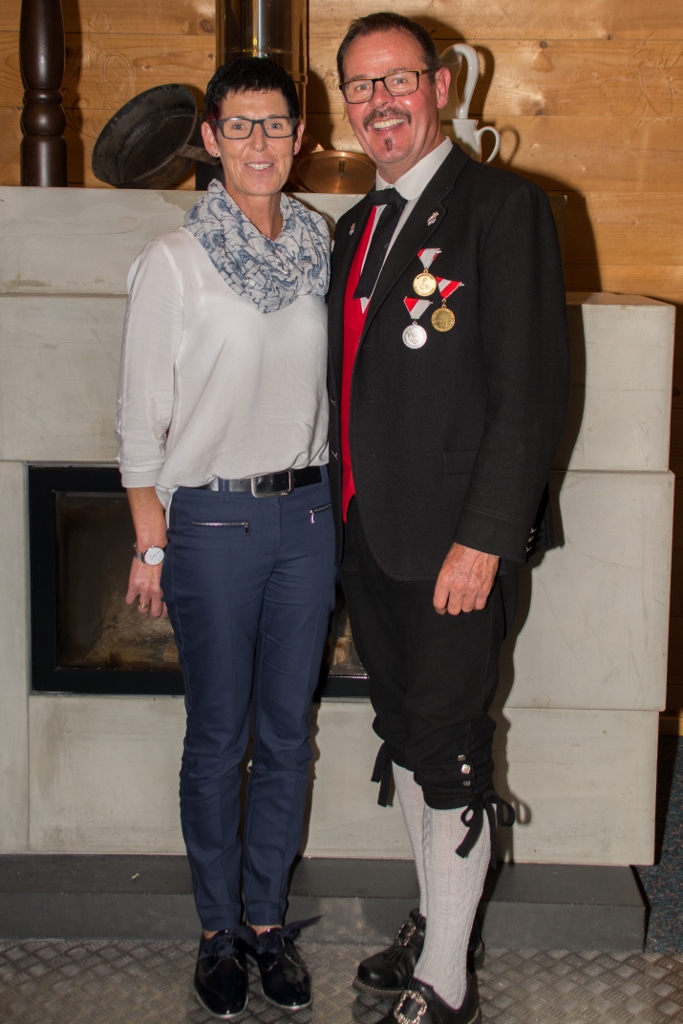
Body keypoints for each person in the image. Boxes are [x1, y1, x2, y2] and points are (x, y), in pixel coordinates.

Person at [328, 13, 570, 1024]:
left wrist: (484, 537)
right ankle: (436, 921)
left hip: (452, 544)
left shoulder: (501, 208)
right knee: (406, 737)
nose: (379, 101)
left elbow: (528, 393)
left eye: (398, 80)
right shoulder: (354, 228)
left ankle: (446, 983)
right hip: (365, 535)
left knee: (451, 745)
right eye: (359, 86)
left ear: (439, 86)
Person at [116, 57, 337, 1018]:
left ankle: (266, 924)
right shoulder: (174, 260)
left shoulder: (321, 245)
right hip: (211, 520)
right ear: (208, 139)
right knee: (219, 737)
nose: (258, 143)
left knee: (287, 737)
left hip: (308, 518)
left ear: (299, 137)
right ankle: (216, 930)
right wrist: (150, 541)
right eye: (238, 126)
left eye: (274, 124)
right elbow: (138, 417)